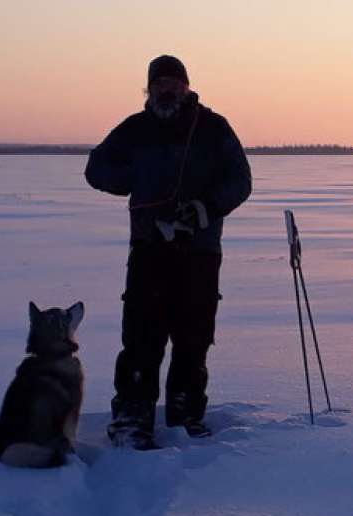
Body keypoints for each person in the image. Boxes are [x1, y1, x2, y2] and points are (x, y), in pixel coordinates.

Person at [85, 55, 252, 449]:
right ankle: (132, 417)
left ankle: (186, 415)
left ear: (187, 86)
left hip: (199, 251)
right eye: (158, 82)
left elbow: (240, 180)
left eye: (173, 81)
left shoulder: (213, 128)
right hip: (148, 248)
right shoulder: (136, 128)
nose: (166, 88)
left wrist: (206, 208)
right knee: (142, 336)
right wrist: (137, 182)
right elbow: (96, 169)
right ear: (149, 88)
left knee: (193, 337)